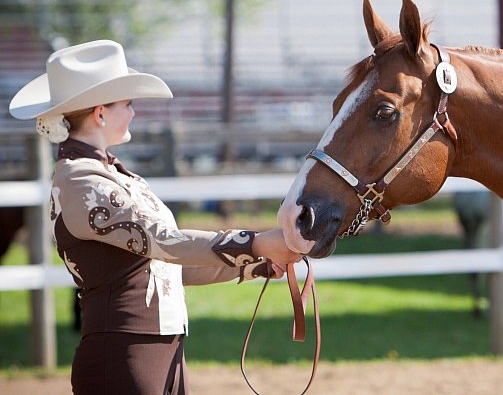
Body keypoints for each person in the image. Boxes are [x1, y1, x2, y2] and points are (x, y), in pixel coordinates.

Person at [9, 40, 302, 394]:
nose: (133, 112)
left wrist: (257, 261)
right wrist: (255, 241)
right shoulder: (81, 179)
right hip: (122, 353)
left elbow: (167, 267)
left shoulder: (109, 174)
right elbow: (163, 240)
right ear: (100, 113)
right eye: (128, 104)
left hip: (154, 352)